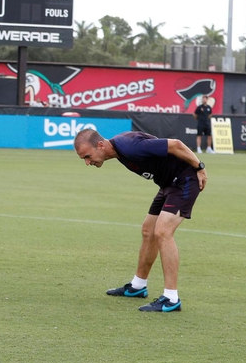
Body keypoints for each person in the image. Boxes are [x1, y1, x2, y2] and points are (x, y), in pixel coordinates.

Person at [72, 128, 208, 313]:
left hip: (184, 180)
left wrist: (199, 168)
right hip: (168, 184)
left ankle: (171, 297)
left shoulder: (129, 147)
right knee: (148, 230)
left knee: (162, 232)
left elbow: (175, 144)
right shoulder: (119, 150)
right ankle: (138, 286)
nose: (88, 162)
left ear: (101, 145)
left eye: (87, 156)